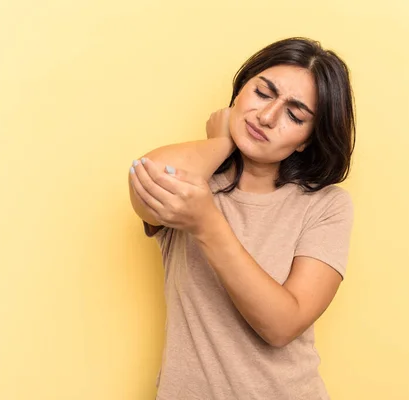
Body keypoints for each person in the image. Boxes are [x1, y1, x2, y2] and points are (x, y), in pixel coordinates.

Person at [128, 37, 355, 400]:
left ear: (306, 141)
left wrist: (206, 223)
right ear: (239, 92)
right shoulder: (195, 181)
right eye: (263, 93)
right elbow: (144, 178)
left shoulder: (326, 206)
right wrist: (222, 144)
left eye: (294, 115)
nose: (267, 117)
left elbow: (282, 325)